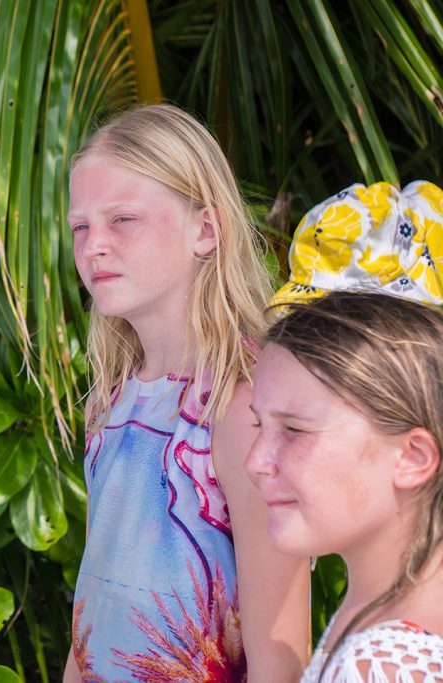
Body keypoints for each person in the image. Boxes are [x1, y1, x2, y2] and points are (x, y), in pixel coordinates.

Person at [62, 104, 310, 682]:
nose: (93, 245)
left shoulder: (242, 405)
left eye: (123, 220)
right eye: (81, 226)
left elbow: (279, 651)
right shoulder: (114, 401)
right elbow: (90, 618)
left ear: (206, 228)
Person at [248, 291, 443, 680]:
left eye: (294, 430)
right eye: (258, 425)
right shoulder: (379, 611)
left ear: (412, 457)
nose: (255, 462)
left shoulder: (383, 667)